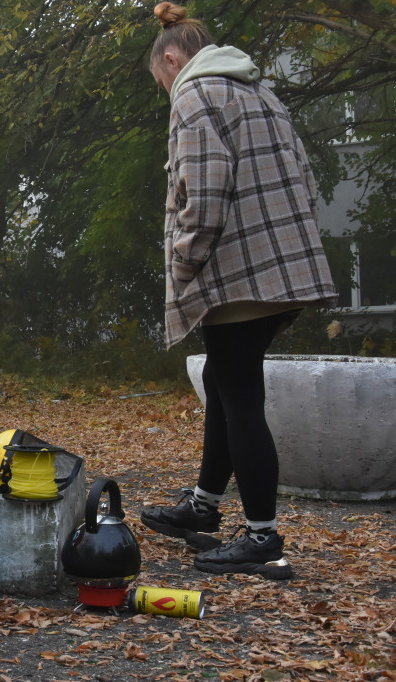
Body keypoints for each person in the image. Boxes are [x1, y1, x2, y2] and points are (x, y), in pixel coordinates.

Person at [140, 3, 337, 579]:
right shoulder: (261, 94)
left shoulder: (195, 96)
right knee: (226, 386)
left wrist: (184, 262)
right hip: (281, 268)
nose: (164, 91)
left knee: (242, 396)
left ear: (172, 60)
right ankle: (203, 507)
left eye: (161, 81)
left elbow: (202, 190)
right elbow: (303, 174)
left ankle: (261, 538)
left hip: (238, 272)